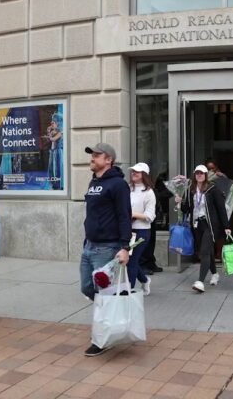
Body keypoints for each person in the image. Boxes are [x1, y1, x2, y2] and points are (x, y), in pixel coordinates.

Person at [81, 142, 132, 357]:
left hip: (107, 247)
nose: (92, 158)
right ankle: (114, 317)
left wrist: (124, 247)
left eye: (97, 155)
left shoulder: (118, 185)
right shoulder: (94, 182)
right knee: (86, 288)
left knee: (103, 295)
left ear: (108, 159)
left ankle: (102, 339)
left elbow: (124, 215)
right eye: (92, 154)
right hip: (90, 245)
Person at [178, 165, 231, 293]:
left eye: (202, 173)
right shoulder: (191, 190)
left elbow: (221, 209)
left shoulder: (213, 189)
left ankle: (200, 282)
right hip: (196, 224)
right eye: (197, 173)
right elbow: (187, 209)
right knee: (206, 251)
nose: (199, 175)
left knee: (205, 251)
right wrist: (180, 202)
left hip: (210, 224)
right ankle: (214, 273)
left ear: (206, 175)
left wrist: (226, 226)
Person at [128, 162, 154, 295]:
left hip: (142, 231)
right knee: (129, 260)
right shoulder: (128, 188)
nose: (133, 173)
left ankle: (128, 292)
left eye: (137, 171)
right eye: (133, 171)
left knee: (131, 261)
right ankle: (144, 280)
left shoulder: (149, 193)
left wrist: (132, 214)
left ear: (144, 174)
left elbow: (150, 216)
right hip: (127, 230)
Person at [44, 117, 63, 190]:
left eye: (53, 123)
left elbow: (53, 139)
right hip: (52, 151)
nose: (51, 124)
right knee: (51, 168)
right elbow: (49, 140)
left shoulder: (60, 132)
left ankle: (58, 184)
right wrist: (48, 133)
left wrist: (48, 134)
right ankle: (53, 183)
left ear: (57, 124)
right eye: (51, 123)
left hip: (57, 152)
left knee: (57, 168)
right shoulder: (52, 132)